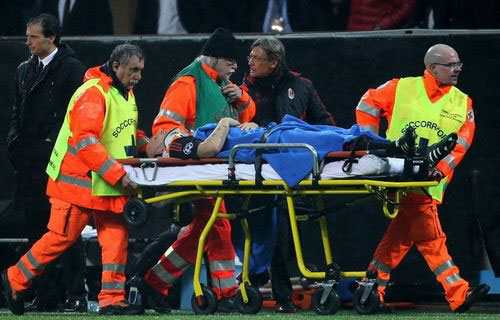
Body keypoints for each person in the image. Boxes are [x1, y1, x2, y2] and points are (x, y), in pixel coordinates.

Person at [2, 43, 150, 316]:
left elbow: (124, 131)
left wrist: (146, 144)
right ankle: (14, 279)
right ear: (116, 67)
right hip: (78, 182)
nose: (139, 76)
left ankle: (112, 299)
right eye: (134, 70)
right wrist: (118, 175)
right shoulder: (93, 93)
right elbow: (87, 142)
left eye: (141, 70)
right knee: (61, 238)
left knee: (116, 238)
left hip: (104, 183)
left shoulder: (123, 93)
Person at [355, 43, 490, 313]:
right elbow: (367, 103)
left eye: (458, 64)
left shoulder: (463, 102)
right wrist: (372, 146)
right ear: (432, 68)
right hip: (399, 176)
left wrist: (440, 170)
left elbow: (461, 145)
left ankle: (368, 290)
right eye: (451, 65)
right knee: (430, 236)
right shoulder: (401, 87)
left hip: (430, 181)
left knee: (401, 237)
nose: (457, 69)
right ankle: (458, 292)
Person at [138, 28, 255, 314]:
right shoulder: (188, 82)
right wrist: (195, 148)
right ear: (213, 58)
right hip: (194, 168)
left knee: (209, 227)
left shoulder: (221, 84)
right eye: (230, 60)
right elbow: (164, 128)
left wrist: (242, 99)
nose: (235, 66)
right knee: (218, 225)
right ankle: (224, 291)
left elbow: (247, 118)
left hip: (214, 170)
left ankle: (156, 282)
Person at [239, 36, 334, 313]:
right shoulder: (243, 91)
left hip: (295, 172)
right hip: (260, 175)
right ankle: (279, 295)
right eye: (250, 57)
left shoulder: (302, 87)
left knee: (289, 232)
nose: (251, 62)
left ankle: (283, 286)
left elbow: (324, 123)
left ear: (274, 61)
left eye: (256, 58)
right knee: (273, 231)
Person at [6, 13, 87, 312]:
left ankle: (76, 291)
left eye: (33, 37)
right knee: (36, 229)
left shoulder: (72, 69)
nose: (27, 42)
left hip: (57, 163)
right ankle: (46, 293)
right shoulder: (24, 70)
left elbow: (72, 114)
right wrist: (14, 142)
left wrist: (48, 146)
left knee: (65, 229)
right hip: (29, 164)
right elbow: (17, 111)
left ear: (51, 37)